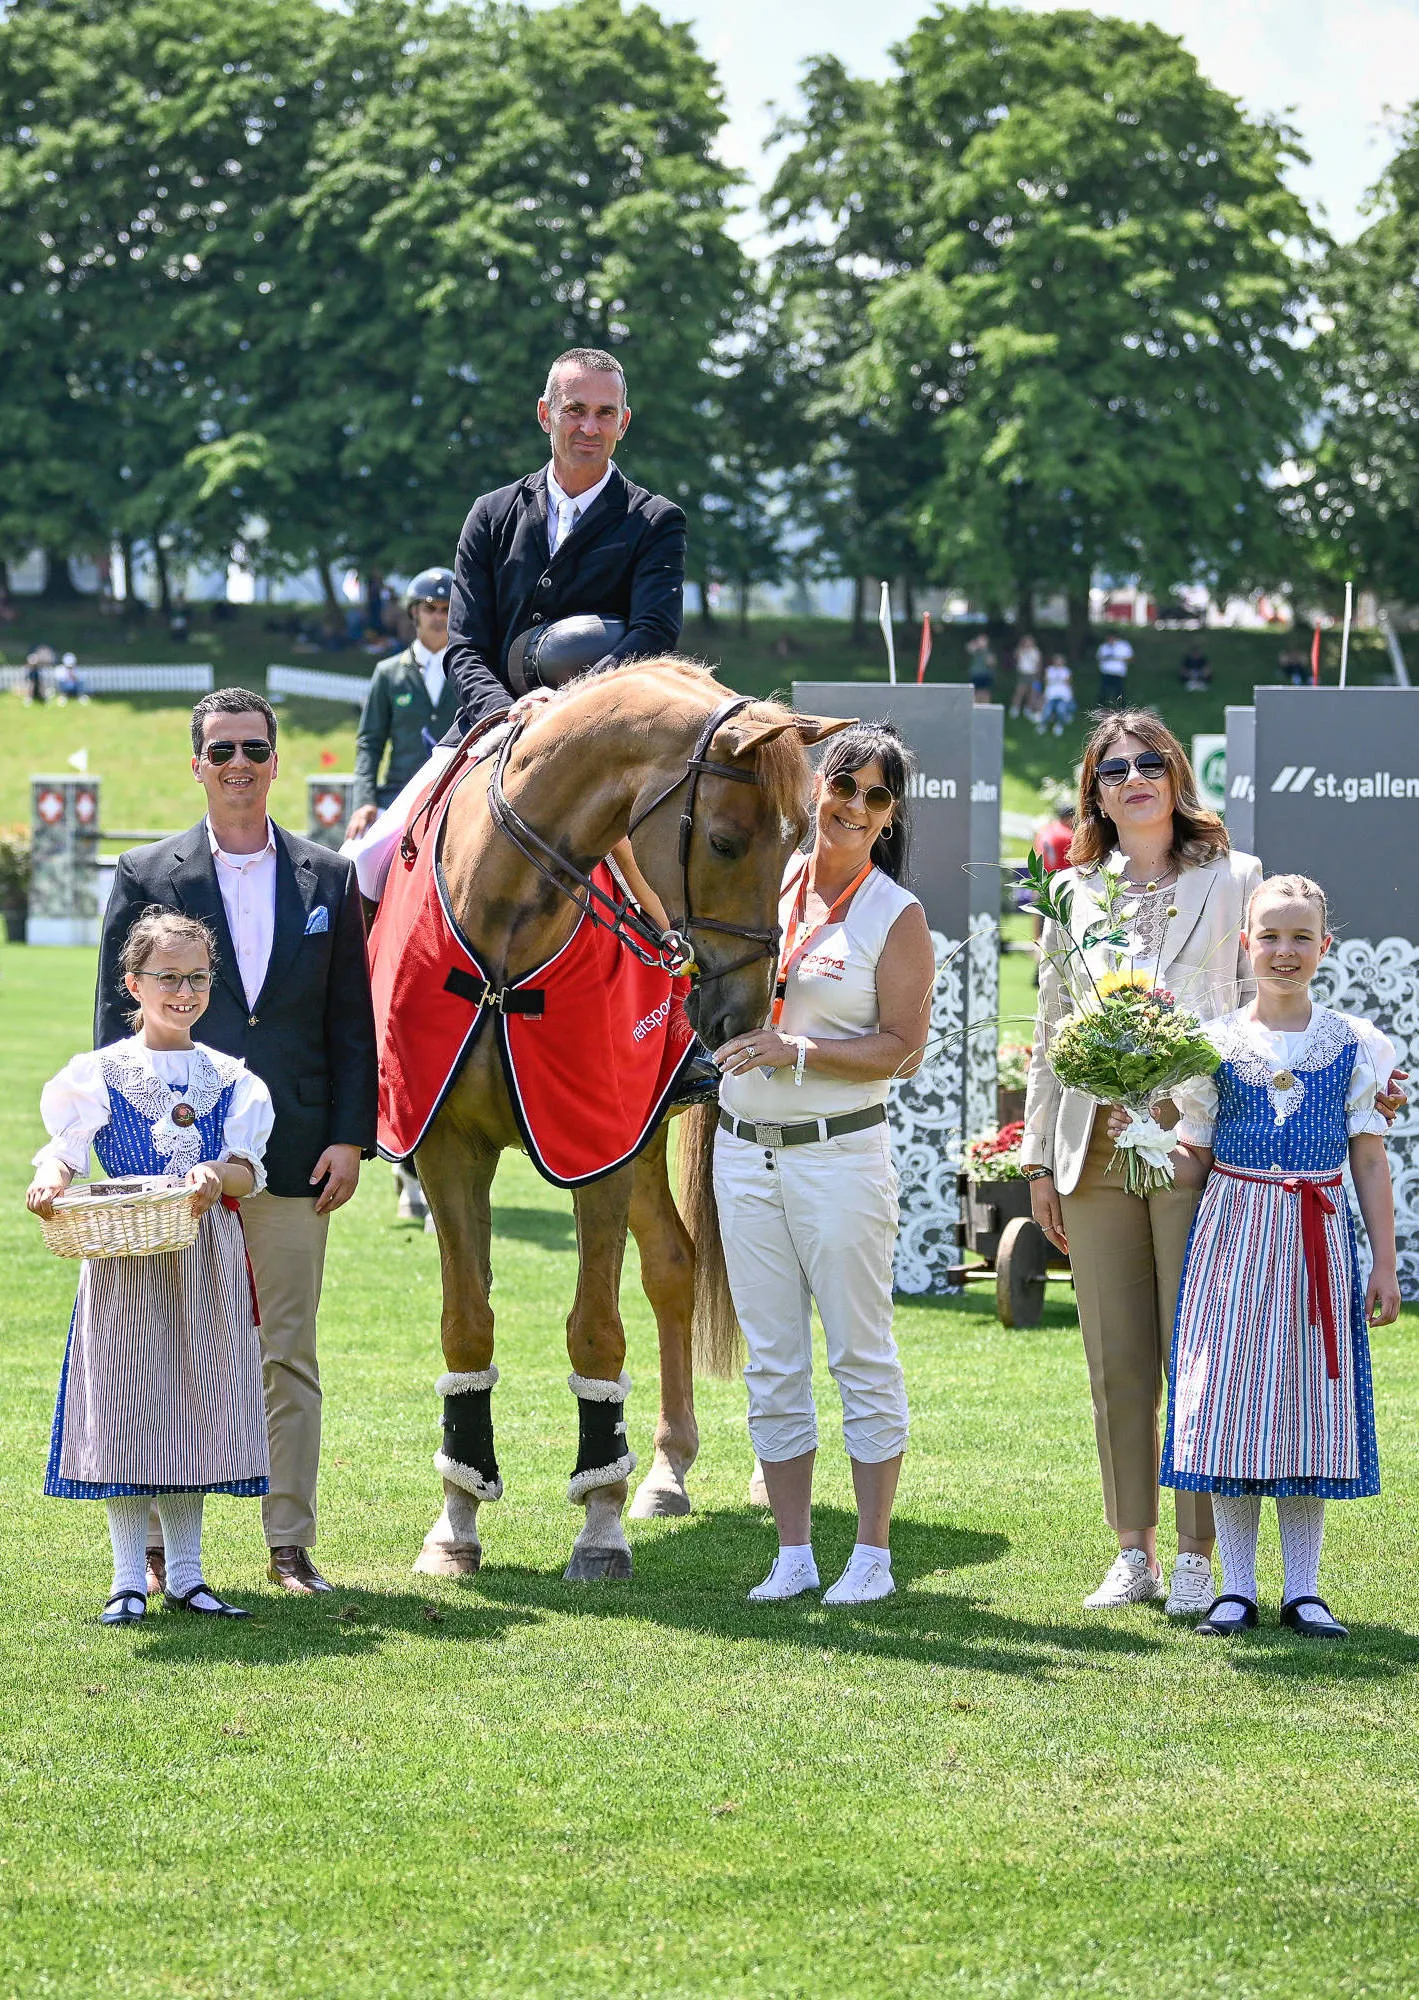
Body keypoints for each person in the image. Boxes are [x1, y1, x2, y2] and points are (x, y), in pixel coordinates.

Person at [94, 688, 378, 1595]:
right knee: (166, 1348)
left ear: (276, 760)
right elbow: (113, 1016)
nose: (239, 764)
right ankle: (157, 1553)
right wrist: (121, 1150)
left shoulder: (329, 878)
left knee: (286, 1350)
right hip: (171, 1168)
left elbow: (351, 1023)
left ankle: (288, 1541)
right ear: (197, 764)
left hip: (293, 1153)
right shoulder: (147, 872)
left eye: (254, 748)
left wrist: (349, 1138)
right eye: (221, 751)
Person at [1022, 712, 1262, 1615]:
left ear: (1177, 774)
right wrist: (1040, 1161)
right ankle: (1134, 1552)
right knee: (1117, 1360)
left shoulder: (1235, 880)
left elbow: (1249, 1008)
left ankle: (1199, 1553)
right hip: (1093, 1151)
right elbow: (1050, 1033)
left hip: (1197, 1147)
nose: (1134, 778)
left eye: (1150, 762)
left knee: (1194, 1355)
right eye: (1113, 767)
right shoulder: (1072, 890)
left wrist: (1196, 1111)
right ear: (1094, 789)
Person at [710, 722, 934, 1607]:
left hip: (839, 1156)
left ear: (889, 817)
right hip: (742, 1155)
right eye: (843, 785)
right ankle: (794, 1551)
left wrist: (793, 1051)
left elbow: (903, 1049)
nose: (853, 806)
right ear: (812, 788)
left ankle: (871, 1555)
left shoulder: (895, 914)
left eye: (875, 796)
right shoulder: (764, 882)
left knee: (859, 1354)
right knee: (770, 1358)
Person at [1160, 875, 1400, 1639]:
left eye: (1300, 937)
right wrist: (1145, 1128)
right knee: (1232, 1403)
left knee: (1305, 1403)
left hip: (1315, 1233)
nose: (1284, 951)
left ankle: (1303, 1588)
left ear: (1324, 947)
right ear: (1245, 945)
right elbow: (1192, 1159)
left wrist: (1385, 1262)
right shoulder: (1213, 1044)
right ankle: (1237, 1587)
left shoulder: (1356, 1043)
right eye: (1269, 936)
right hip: (1233, 1233)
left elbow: (1367, 1159)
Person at [27, 910, 274, 1625]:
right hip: (123, 1259)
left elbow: (247, 1173)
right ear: (134, 983)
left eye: (197, 977)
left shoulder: (231, 1079)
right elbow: (66, 1148)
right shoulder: (99, 1073)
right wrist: (48, 1181)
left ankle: (190, 1574)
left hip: (202, 1258)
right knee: (129, 1407)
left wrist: (211, 1176)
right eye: (168, 977)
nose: (184, 991)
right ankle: (127, 1576)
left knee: (191, 1407)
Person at [443, 346, 687, 737]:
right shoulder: (490, 515)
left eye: (605, 413)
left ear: (622, 423)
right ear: (545, 414)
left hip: (606, 730)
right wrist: (503, 712)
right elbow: (464, 647)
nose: (590, 427)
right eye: (575, 410)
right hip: (492, 725)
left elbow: (654, 632)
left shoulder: (656, 521)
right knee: (409, 802)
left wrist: (569, 703)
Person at [346, 568, 460, 840]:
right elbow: (370, 743)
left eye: (446, 609)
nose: (438, 617)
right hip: (399, 795)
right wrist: (364, 800)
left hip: (458, 793)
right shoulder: (388, 673)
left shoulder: (470, 673)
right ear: (414, 612)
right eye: (430, 608)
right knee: (355, 858)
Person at [1039, 654, 1074, 735]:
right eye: (1057, 660)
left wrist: (1070, 696)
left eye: (1060, 661)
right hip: (1051, 695)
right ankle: (1043, 725)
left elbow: (1069, 684)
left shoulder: (1066, 671)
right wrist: (1044, 694)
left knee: (1061, 710)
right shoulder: (1049, 670)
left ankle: (1059, 725)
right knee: (1047, 712)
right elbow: (1046, 683)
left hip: (1063, 696)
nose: (1058, 663)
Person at [1009, 633, 1042, 718]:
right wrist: (1021, 648)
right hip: (1023, 673)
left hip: (1032, 674)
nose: (1028, 643)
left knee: (1031, 693)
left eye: (1030, 642)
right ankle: (1015, 709)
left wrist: (1038, 675)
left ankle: (1028, 709)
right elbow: (1015, 657)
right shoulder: (1020, 650)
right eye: (1026, 641)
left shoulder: (1036, 651)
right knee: (1019, 691)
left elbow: (1038, 664)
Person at [1097, 632, 1133, 707]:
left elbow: (1130, 658)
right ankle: (1102, 708)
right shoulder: (1104, 646)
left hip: (1118, 673)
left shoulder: (1124, 646)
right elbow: (1099, 657)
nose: (1110, 640)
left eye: (1111, 638)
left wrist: (1118, 658)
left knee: (1119, 692)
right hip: (1106, 673)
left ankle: (1121, 709)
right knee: (1104, 692)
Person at [966, 632, 996, 706]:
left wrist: (991, 662)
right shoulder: (975, 650)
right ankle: (975, 709)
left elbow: (992, 663)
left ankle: (986, 709)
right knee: (975, 694)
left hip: (986, 675)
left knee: (985, 693)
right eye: (980, 640)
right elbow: (968, 648)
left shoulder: (988, 652)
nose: (982, 642)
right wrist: (976, 644)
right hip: (976, 675)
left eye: (984, 640)